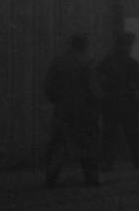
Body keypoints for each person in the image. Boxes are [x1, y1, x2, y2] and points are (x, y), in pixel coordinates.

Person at [44, 33, 103, 186]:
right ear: (85, 45)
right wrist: (98, 103)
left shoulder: (58, 62)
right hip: (84, 111)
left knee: (60, 144)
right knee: (89, 144)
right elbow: (93, 89)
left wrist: (58, 100)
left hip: (62, 110)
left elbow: (48, 87)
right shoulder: (87, 63)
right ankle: (91, 177)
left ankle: (51, 175)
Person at [99, 31, 139, 170]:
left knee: (109, 134)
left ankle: (107, 161)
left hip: (110, 103)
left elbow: (99, 80)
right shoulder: (131, 63)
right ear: (128, 46)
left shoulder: (106, 61)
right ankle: (138, 160)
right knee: (132, 133)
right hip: (128, 103)